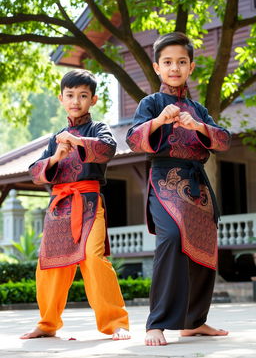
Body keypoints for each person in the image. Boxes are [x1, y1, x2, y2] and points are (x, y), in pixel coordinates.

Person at [126, 32, 231, 346]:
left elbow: (223, 139)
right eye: (168, 62)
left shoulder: (198, 109)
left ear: (191, 66)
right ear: (157, 67)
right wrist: (159, 121)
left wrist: (197, 126)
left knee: (203, 248)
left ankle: (194, 322)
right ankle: (156, 323)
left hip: (197, 185)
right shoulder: (152, 102)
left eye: (181, 62)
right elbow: (133, 140)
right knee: (171, 239)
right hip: (165, 181)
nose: (175, 67)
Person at [21, 69, 130, 341]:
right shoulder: (55, 138)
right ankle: (47, 323)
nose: (76, 101)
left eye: (83, 95)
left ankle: (115, 322)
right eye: (70, 95)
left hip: (89, 202)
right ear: (61, 98)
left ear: (93, 100)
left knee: (94, 258)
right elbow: (35, 172)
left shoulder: (98, 129)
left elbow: (107, 149)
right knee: (50, 265)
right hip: (59, 208)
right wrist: (56, 156)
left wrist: (78, 141)